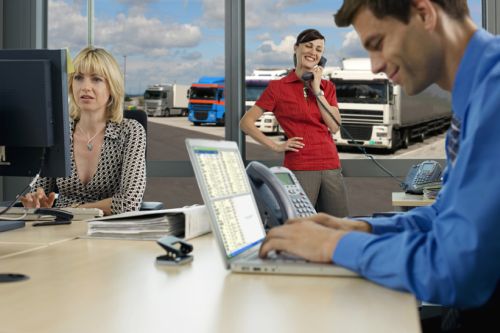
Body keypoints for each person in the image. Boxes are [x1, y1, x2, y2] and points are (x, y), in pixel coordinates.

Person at [259, 0, 499, 330]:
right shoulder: (475, 94)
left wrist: (333, 245)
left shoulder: (495, 96)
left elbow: (457, 271)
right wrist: (362, 228)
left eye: (378, 43)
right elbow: (445, 213)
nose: (374, 67)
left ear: (424, 14)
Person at [21, 46, 147, 216]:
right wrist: (38, 201)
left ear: (112, 88)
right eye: (79, 78)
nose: (85, 87)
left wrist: (70, 210)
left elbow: (129, 203)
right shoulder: (58, 131)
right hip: (61, 226)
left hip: (109, 230)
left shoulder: (130, 131)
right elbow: (41, 190)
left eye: (96, 79)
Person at [240, 28, 349, 217]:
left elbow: (334, 126)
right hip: (300, 166)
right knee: (300, 225)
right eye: (308, 46)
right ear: (296, 48)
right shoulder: (278, 88)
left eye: (319, 49)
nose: (313, 52)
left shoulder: (327, 87)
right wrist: (275, 146)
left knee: (339, 225)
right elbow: (246, 123)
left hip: (331, 165)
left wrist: (317, 89)